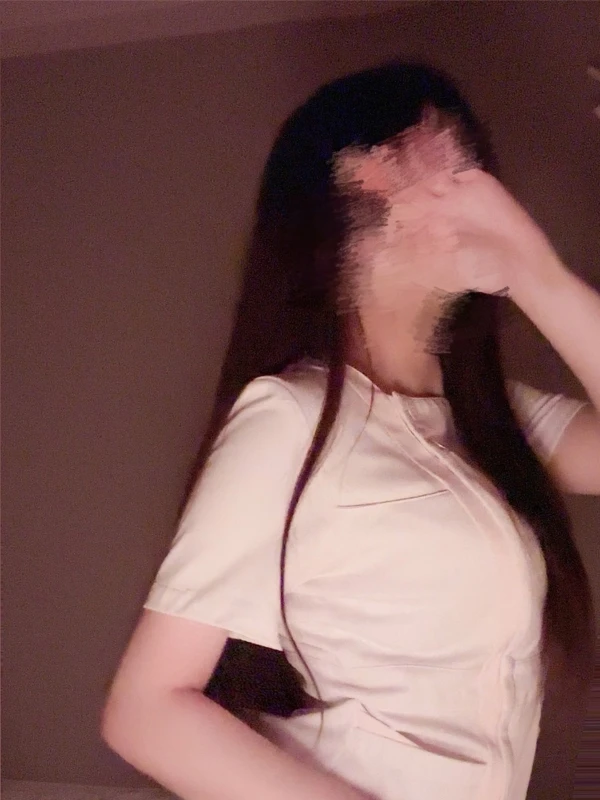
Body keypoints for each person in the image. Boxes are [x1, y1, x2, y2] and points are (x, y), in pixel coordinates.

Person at [102, 62, 600, 800]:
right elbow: (146, 712)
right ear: (352, 181)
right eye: (433, 150)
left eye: (469, 159)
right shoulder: (289, 416)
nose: (471, 184)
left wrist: (536, 273)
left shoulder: (492, 421)